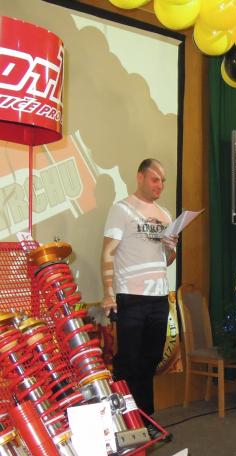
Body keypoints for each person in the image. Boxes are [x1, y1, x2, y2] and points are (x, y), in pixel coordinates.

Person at [101, 158, 177, 437]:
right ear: (140, 177)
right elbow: (108, 253)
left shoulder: (165, 214)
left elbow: (167, 260)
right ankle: (124, 422)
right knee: (129, 361)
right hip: (131, 296)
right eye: (155, 179)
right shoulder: (121, 209)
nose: (160, 185)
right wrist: (108, 293)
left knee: (150, 359)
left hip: (159, 297)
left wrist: (171, 248)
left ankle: (145, 419)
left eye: (163, 181)